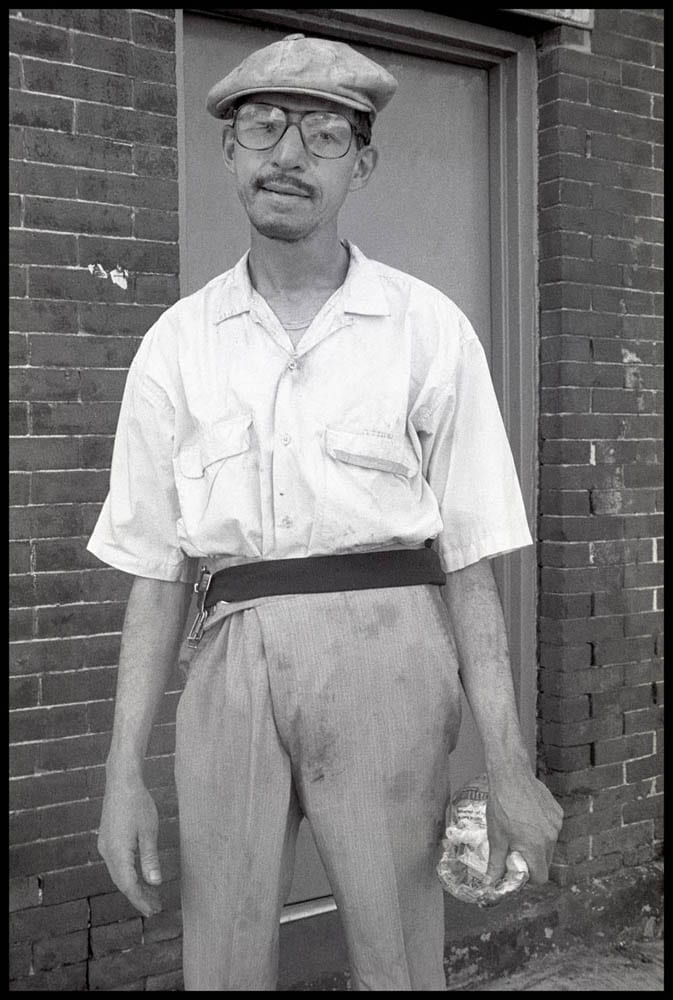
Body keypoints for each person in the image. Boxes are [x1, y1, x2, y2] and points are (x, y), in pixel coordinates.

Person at [90, 33, 563, 992]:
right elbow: (154, 574)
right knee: (222, 957)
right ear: (229, 151)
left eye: (324, 134)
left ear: (362, 164)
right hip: (229, 657)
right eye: (264, 126)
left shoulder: (425, 329)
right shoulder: (177, 346)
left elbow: (470, 560)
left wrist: (508, 759)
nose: (289, 155)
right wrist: (121, 772)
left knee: (396, 954)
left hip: (390, 653)